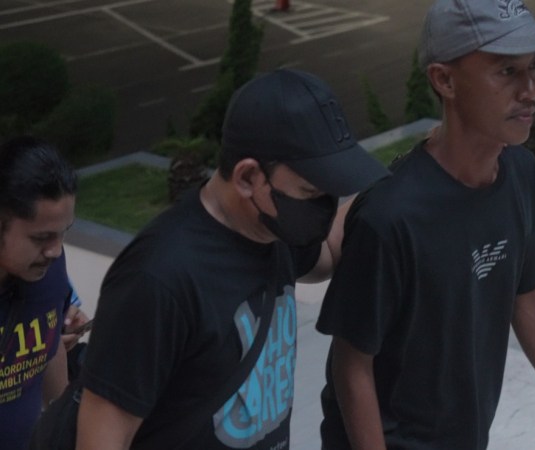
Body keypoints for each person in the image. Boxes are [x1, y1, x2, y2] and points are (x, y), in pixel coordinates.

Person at [315, 1, 535, 449]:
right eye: (507, 71)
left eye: (533, 67)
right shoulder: (391, 216)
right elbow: (351, 366)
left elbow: (529, 298)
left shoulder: (521, 174)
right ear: (445, 80)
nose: (531, 90)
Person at [75, 68, 389, 449]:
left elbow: (328, 252)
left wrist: (410, 172)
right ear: (247, 177)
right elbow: (102, 438)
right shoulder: (158, 278)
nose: (323, 206)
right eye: (311, 191)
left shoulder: (275, 227)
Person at [0, 136, 78, 450]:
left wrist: (65, 427)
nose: (55, 251)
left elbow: (50, 341)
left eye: (63, 233)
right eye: (41, 237)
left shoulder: (49, 270)